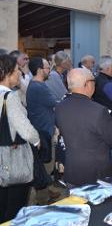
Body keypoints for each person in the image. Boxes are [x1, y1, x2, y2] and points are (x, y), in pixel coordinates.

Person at [55, 69, 112, 186]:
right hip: (96, 174)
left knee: (76, 204)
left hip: (72, 171)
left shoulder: (60, 107)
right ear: (87, 84)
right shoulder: (99, 111)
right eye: (93, 81)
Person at [0, 54, 40, 223]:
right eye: (17, 70)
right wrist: (37, 141)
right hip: (12, 160)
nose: (19, 74)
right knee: (14, 208)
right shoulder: (10, 97)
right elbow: (26, 130)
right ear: (7, 72)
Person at [26, 57, 60, 205]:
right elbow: (55, 102)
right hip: (42, 131)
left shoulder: (38, 85)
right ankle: (42, 199)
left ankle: (46, 192)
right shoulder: (38, 87)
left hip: (43, 129)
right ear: (40, 70)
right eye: (47, 68)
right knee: (44, 165)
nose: (49, 71)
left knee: (44, 165)